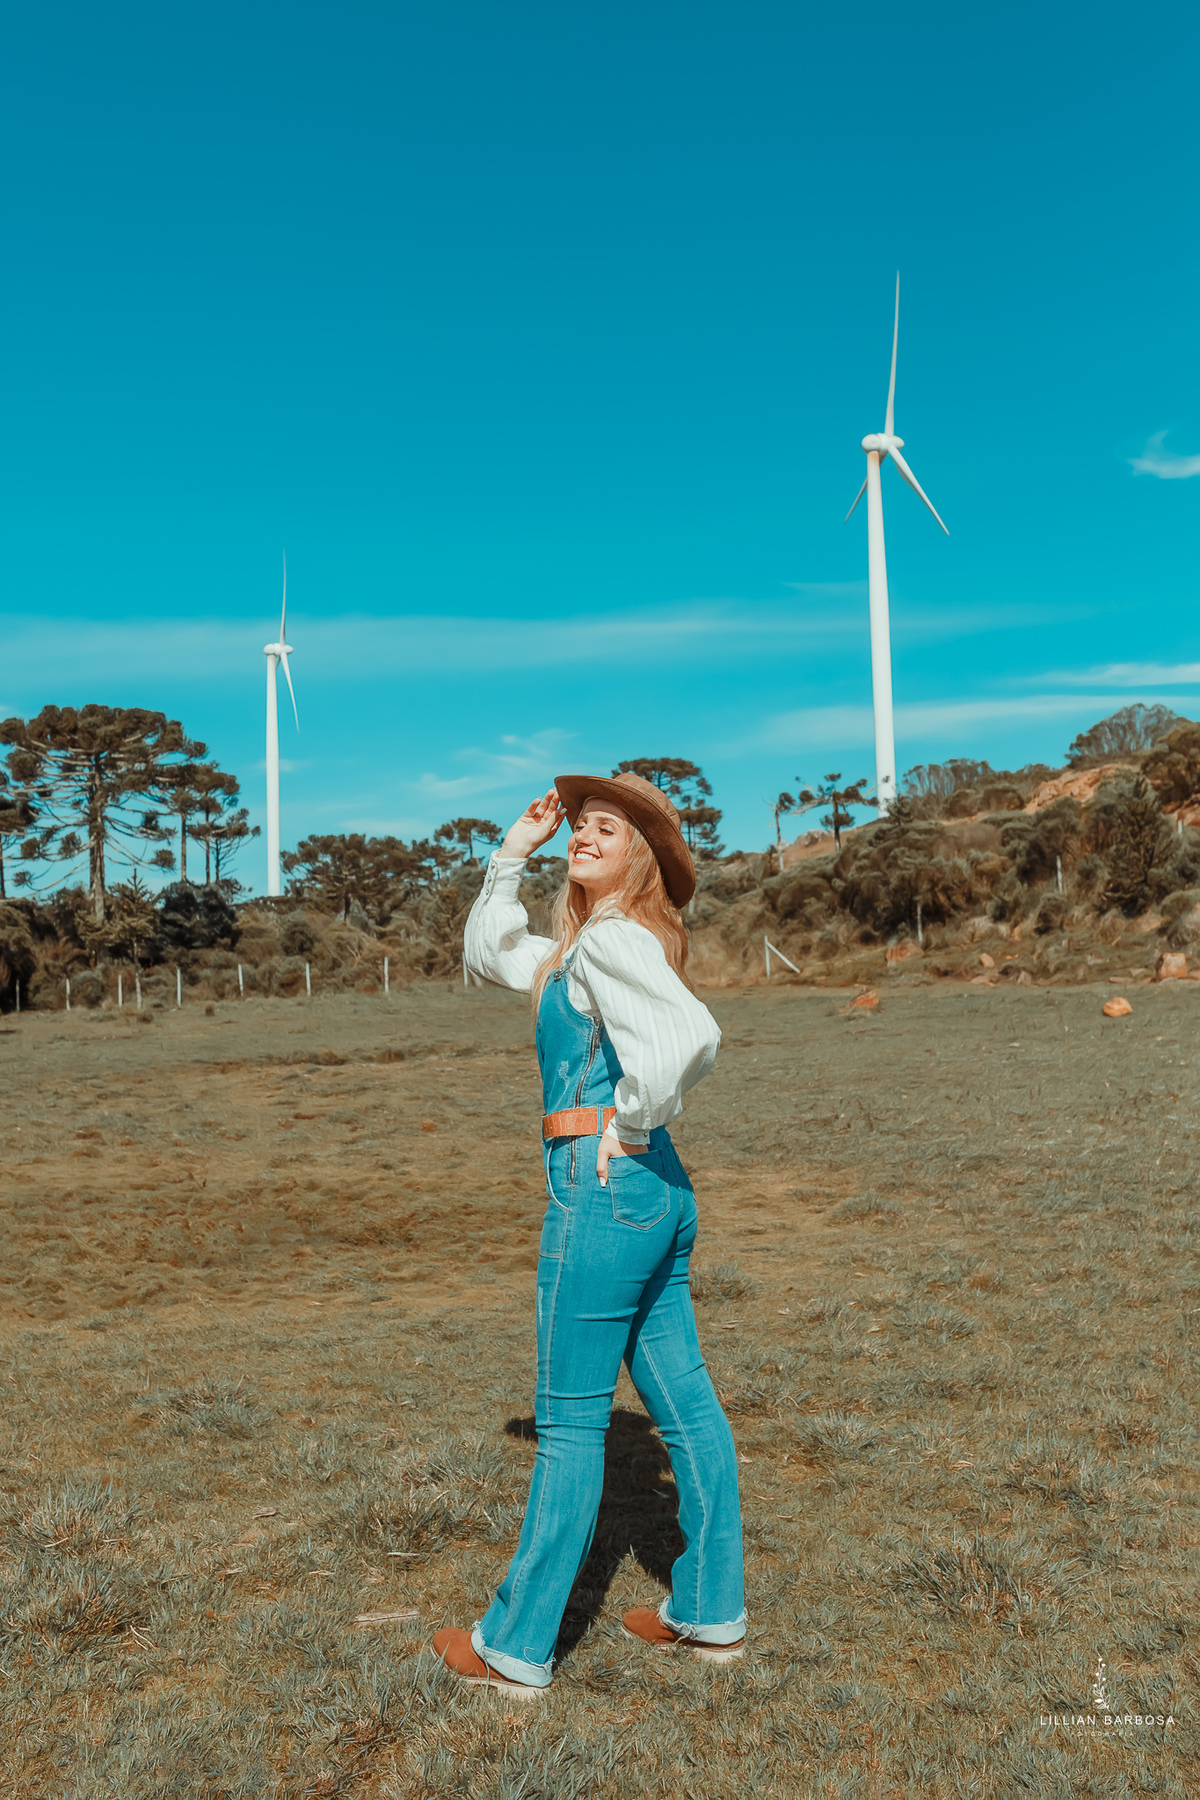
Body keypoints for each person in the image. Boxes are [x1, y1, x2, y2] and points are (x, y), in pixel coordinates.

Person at [431, 770, 745, 1698]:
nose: (587, 835)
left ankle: (514, 1647)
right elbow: (494, 955)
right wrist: (512, 855)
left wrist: (631, 1122)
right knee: (686, 1410)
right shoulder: (581, 949)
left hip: (604, 1185)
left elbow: (688, 1035)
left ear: (638, 856)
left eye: (608, 828)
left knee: (570, 1426)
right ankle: (709, 1613)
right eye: (583, 825)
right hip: (656, 1196)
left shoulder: (611, 938)